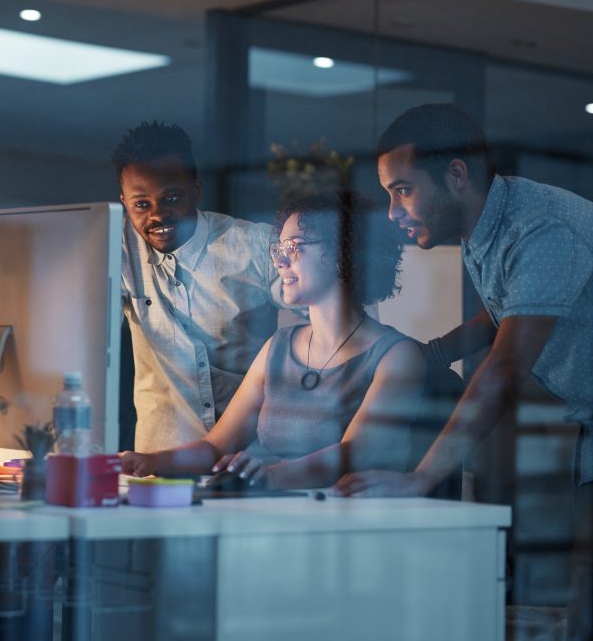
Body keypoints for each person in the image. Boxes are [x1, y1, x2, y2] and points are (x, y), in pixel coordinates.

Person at [334, 103, 591, 641]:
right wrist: (423, 354)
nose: (391, 211)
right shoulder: (489, 225)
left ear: (456, 174)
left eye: (402, 190)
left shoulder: (538, 228)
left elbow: (502, 368)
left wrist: (420, 477)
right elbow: (503, 315)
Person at [120, 191, 426, 489]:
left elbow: (353, 454)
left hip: (350, 524)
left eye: (294, 247)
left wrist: (268, 477)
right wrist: (150, 461)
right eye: (278, 248)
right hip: (279, 512)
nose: (279, 261)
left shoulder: (397, 356)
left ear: (342, 252)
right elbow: (216, 446)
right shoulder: (278, 347)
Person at [114, 121, 286, 452]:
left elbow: (331, 332)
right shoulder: (117, 249)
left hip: (250, 459)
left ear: (196, 190)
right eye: (141, 204)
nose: (157, 215)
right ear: (124, 202)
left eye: (171, 198)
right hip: (159, 461)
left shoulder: (255, 246)